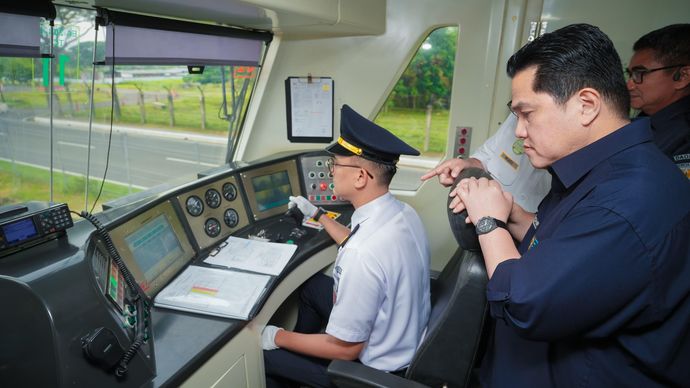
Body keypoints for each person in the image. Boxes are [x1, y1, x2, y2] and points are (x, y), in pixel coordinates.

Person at [451, 23, 690, 387]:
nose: (518, 131)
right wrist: (515, 216)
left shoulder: (627, 200)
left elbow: (524, 303)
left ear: (586, 105)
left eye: (527, 113)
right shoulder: (602, 170)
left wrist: (489, 224)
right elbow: (561, 243)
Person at [261, 104, 431, 388]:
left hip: (375, 371)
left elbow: (346, 350)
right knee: (311, 287)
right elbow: (357, 241)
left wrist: (276, 336)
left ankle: (298, 362)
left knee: (262, 355)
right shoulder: (402, 213)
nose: (330, 172)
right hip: (403, 337)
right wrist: (317, 215)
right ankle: (304, 353)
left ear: (361, 177)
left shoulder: (361, 254)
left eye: (335, 165)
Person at [421, 114, 551, 213]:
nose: (518, 132)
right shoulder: (517, 117)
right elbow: (487, 155)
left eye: (528, 113)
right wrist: (467, 164)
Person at [627, 23, 690, 177]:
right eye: (629, 74)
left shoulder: (684, 138)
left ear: (682, 77)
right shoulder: (643, 121)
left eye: (640, 73)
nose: (629, 85)